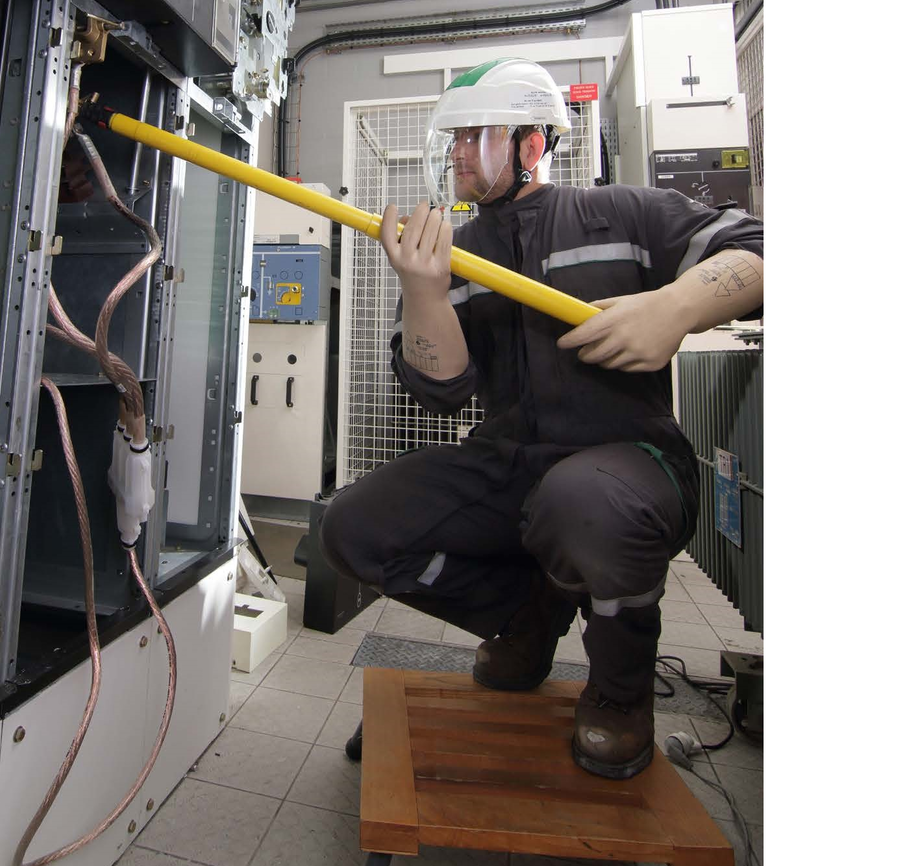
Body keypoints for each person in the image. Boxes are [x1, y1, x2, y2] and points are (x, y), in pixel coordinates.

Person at [318, 59, 763, 779]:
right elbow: (442, 394)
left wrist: (674, 307)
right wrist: (425, 290)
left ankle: (619, 692)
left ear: (533, 143)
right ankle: (528, 614)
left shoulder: (625, 214)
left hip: (632, 464)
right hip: (511, 466)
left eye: (476, 135)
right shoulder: (457, 253)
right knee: (353, 525)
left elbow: (760, 249)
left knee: (580, 501)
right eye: (454, 138)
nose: (458, 153)